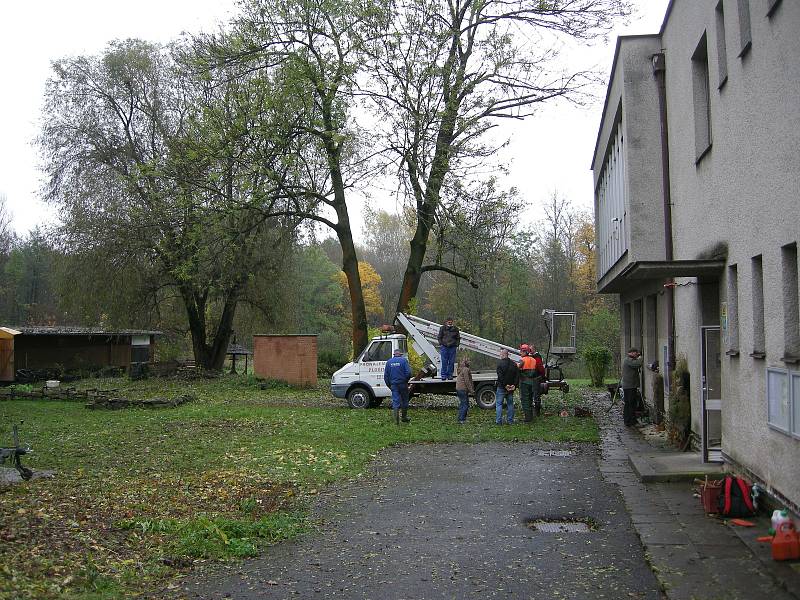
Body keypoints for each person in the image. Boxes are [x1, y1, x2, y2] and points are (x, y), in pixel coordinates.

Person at [384, 348, 412, 425]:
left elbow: (386, 376)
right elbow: (409, 373)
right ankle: (404, 417)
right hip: (403, 384)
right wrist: (406, 380)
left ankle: (396, 422)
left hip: (394, 385)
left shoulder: (389, 362)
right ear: (400, 354)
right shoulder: (404, 361)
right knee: (405, 400)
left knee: (395, 402)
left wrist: (389, 385)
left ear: (394, 355)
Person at [495, 349, 519, 425]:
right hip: (511, 388)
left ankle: (499, 421)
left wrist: (505, 385)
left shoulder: (500, 364)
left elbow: (500, 377)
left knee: (499, 404)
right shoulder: (514, 364)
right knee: (510, 404)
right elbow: (517, 376)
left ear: (503, 354)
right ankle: (510, 420)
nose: (500, 355)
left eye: (500, 354)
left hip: (502, 387)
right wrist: (514, 385)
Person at [621, 347, 643, 427]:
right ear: (632, 353)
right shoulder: (628, 360)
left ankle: (628, 420)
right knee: (631, 404)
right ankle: (630, 421)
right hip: (629, 386)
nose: (637, 355)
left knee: (629, 403)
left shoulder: (628, 359)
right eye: (636, 353)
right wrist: (640, 358)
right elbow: (637, 364)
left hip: (629, 385)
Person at [517, 344, 538, 423]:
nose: (520, 352)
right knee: (530, 399)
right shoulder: (533, 360)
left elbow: (518, 367)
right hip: (531, 382)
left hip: (524, 383)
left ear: (525, 351)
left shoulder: (522, 360)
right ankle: (531, 416)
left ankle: (528, 418)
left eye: (521, 351)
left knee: (525, 400)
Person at [437, 316, 461, 380]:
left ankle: (450, 375)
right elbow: (439, 337)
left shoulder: (456, 329)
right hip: (444, 347)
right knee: (444, 362)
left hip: (452, 348)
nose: (450, 322)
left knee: (451, 362)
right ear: (446, 322)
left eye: (451, 321)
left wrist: (456, 345)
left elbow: (458, 338)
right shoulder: (442, 328)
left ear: (452, 322)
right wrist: (441, 344)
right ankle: (443, 375)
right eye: (449, 321)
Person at [455, 356, 475, 424]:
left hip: (459, 388)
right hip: (463, 389)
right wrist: (471, 390)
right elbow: (467, 381)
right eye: (469, 361)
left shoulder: (461, 369)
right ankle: (462, 420)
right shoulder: (466, 369)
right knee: (465, 404)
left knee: (462, 404)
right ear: (466, 362)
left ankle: (460, 418)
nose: (470, 362)